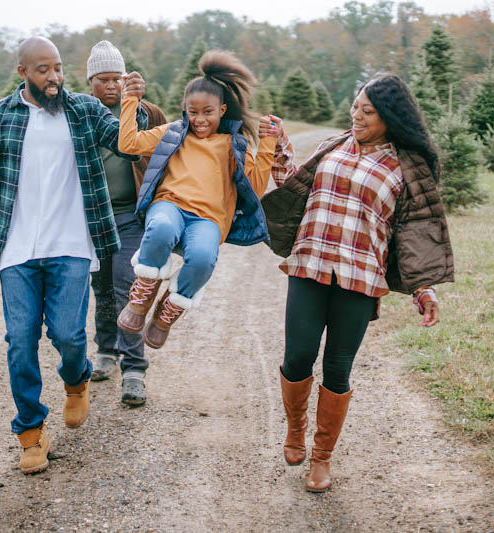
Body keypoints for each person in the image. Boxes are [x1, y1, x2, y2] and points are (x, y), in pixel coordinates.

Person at [0, 36, 148, 475]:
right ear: (23, 72)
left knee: (68, 335)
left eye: (59, 68)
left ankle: (76, 378)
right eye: (43, 70)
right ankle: (30, 432)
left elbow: (129, 142)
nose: (54, 77)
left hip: (70, 245)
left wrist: (133, 102)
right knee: (20, 343)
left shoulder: (82, 111)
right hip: (18, 250)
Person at [260, 73, 454, 493]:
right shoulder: (334, 144)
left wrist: (424, 288)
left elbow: (415, 232)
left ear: (390, 117)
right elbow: (295, 186)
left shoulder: (407, 167)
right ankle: (295, 429)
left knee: (337, 368)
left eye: (367, 111)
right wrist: (278, 150)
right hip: (310, 265)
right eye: (355, 106)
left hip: (360, 279)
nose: (357, 115)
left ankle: (321, 458)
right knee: (297, 356)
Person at [115, 50, 281, 349]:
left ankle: (168, 311)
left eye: (208, 111)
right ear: (184, 109)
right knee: (162, 228)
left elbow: (255, 190)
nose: (200, 119)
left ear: (222, 109)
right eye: (193, 111)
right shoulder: (173, 134)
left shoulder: (233, 144)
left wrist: (267, 142)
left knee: (204, 258)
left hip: (208, 219)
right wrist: (130, 100)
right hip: (170, 206)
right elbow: (128, 144)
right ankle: (141, 297)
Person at [84, 41, 167, 406]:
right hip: (94, 219)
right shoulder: (82, 114)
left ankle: (134, 370)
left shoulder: (145, 112)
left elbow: (170, 152)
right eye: (103, 79)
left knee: (127, 288)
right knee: (100, 288)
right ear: (91, 82)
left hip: (133, 217)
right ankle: (105, 351)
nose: (112, 86)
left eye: (117, 78)